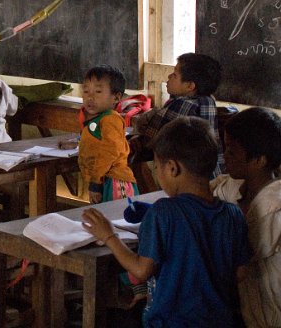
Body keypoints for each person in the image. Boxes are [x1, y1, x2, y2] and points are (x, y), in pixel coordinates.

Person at [82, 117, 251, 328]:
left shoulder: (164, 212)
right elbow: (241, 273)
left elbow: (141, 270)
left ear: (172, 168)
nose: (157, 173)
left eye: (157, 166)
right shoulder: (232, 213)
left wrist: (108, 235)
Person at [211, 107, 281, 328]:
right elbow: (206, 191)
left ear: (259, 160)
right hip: (250, 310)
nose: (225, 157)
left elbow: (239, 253)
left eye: (232, 152)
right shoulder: (235, 186)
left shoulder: (274, 207)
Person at [129, 53, 223, 181]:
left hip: (184, 174)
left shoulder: (182, 105)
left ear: (190, 86)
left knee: (133, 168)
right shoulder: (208, 100)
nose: (169, 77)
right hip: (211, 174)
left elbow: (151, 142)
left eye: (174, 75)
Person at [77, 64, 137, 203]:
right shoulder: (99, 119)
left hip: (114, 181)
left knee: (115, 221)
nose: (90, 97)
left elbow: (109, 151)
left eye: (98, 92)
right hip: (104, 180)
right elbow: (98, 143)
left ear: (116, 98)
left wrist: (96, 183)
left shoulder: (110, 120)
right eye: (86, 91)